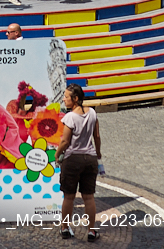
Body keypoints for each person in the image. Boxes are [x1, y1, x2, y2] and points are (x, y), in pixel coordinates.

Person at [54, 83, 102, 242]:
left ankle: (65, 228)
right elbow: (97, 137)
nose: (64, 99)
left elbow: (65, 141)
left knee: (69, 197)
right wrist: (98, 152)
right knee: (89, 197)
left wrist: (57, 154)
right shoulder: (93, 113)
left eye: (66, 97)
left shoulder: (70, 117)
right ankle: (92, 231)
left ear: (75, 99)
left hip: (73, 160)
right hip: (90, 159)